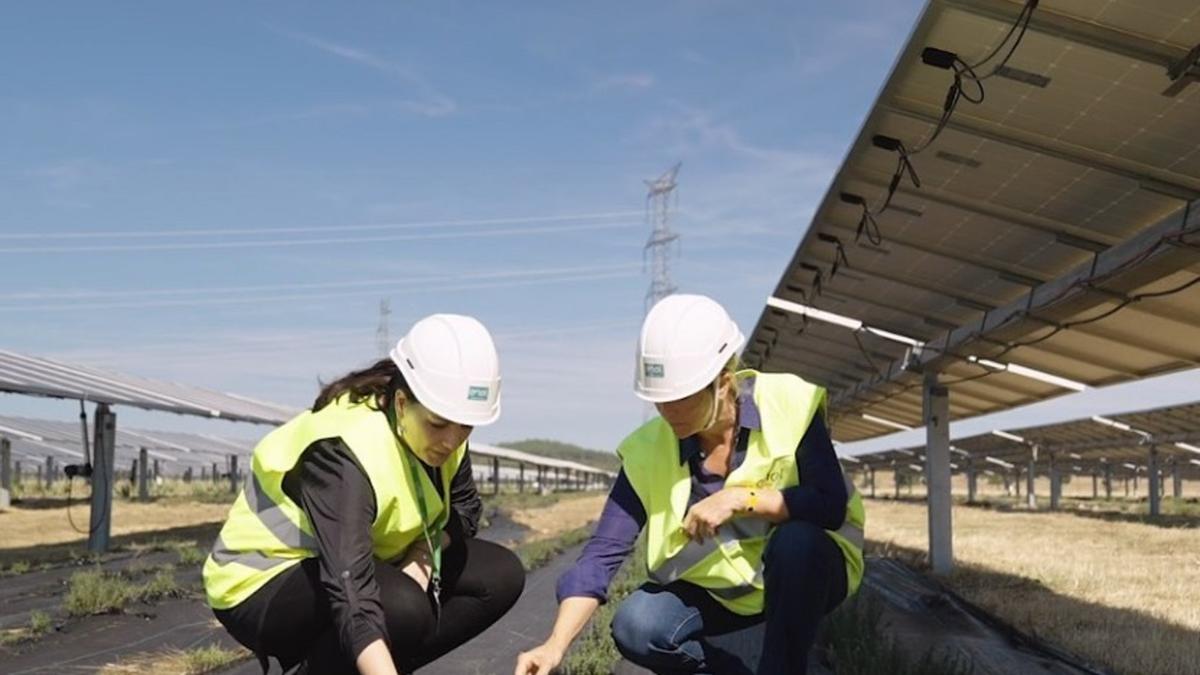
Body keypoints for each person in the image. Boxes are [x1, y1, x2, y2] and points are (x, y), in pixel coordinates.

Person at [516, 294, 865, 675]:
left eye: (680, 399)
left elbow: (829, 505)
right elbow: (603, 552)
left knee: (798, 542)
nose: (668, 413)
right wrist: (554, 645)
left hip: (805, 577)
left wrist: (740, 498)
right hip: (720, 594)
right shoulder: (647, 449)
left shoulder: (788, 404)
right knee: (637, 625)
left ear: (723, 383)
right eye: (660, 401)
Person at [203, 314, 525, 675]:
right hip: (263, 579)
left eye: (466, 426)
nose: (451, 440)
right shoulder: (344, 449)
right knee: (402, 607)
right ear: (402, 402)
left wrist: (421, 558)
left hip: (358, 563)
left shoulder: (447, 431)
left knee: (499, 575)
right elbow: (352, 594)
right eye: (437, 424)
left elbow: (465, 512)